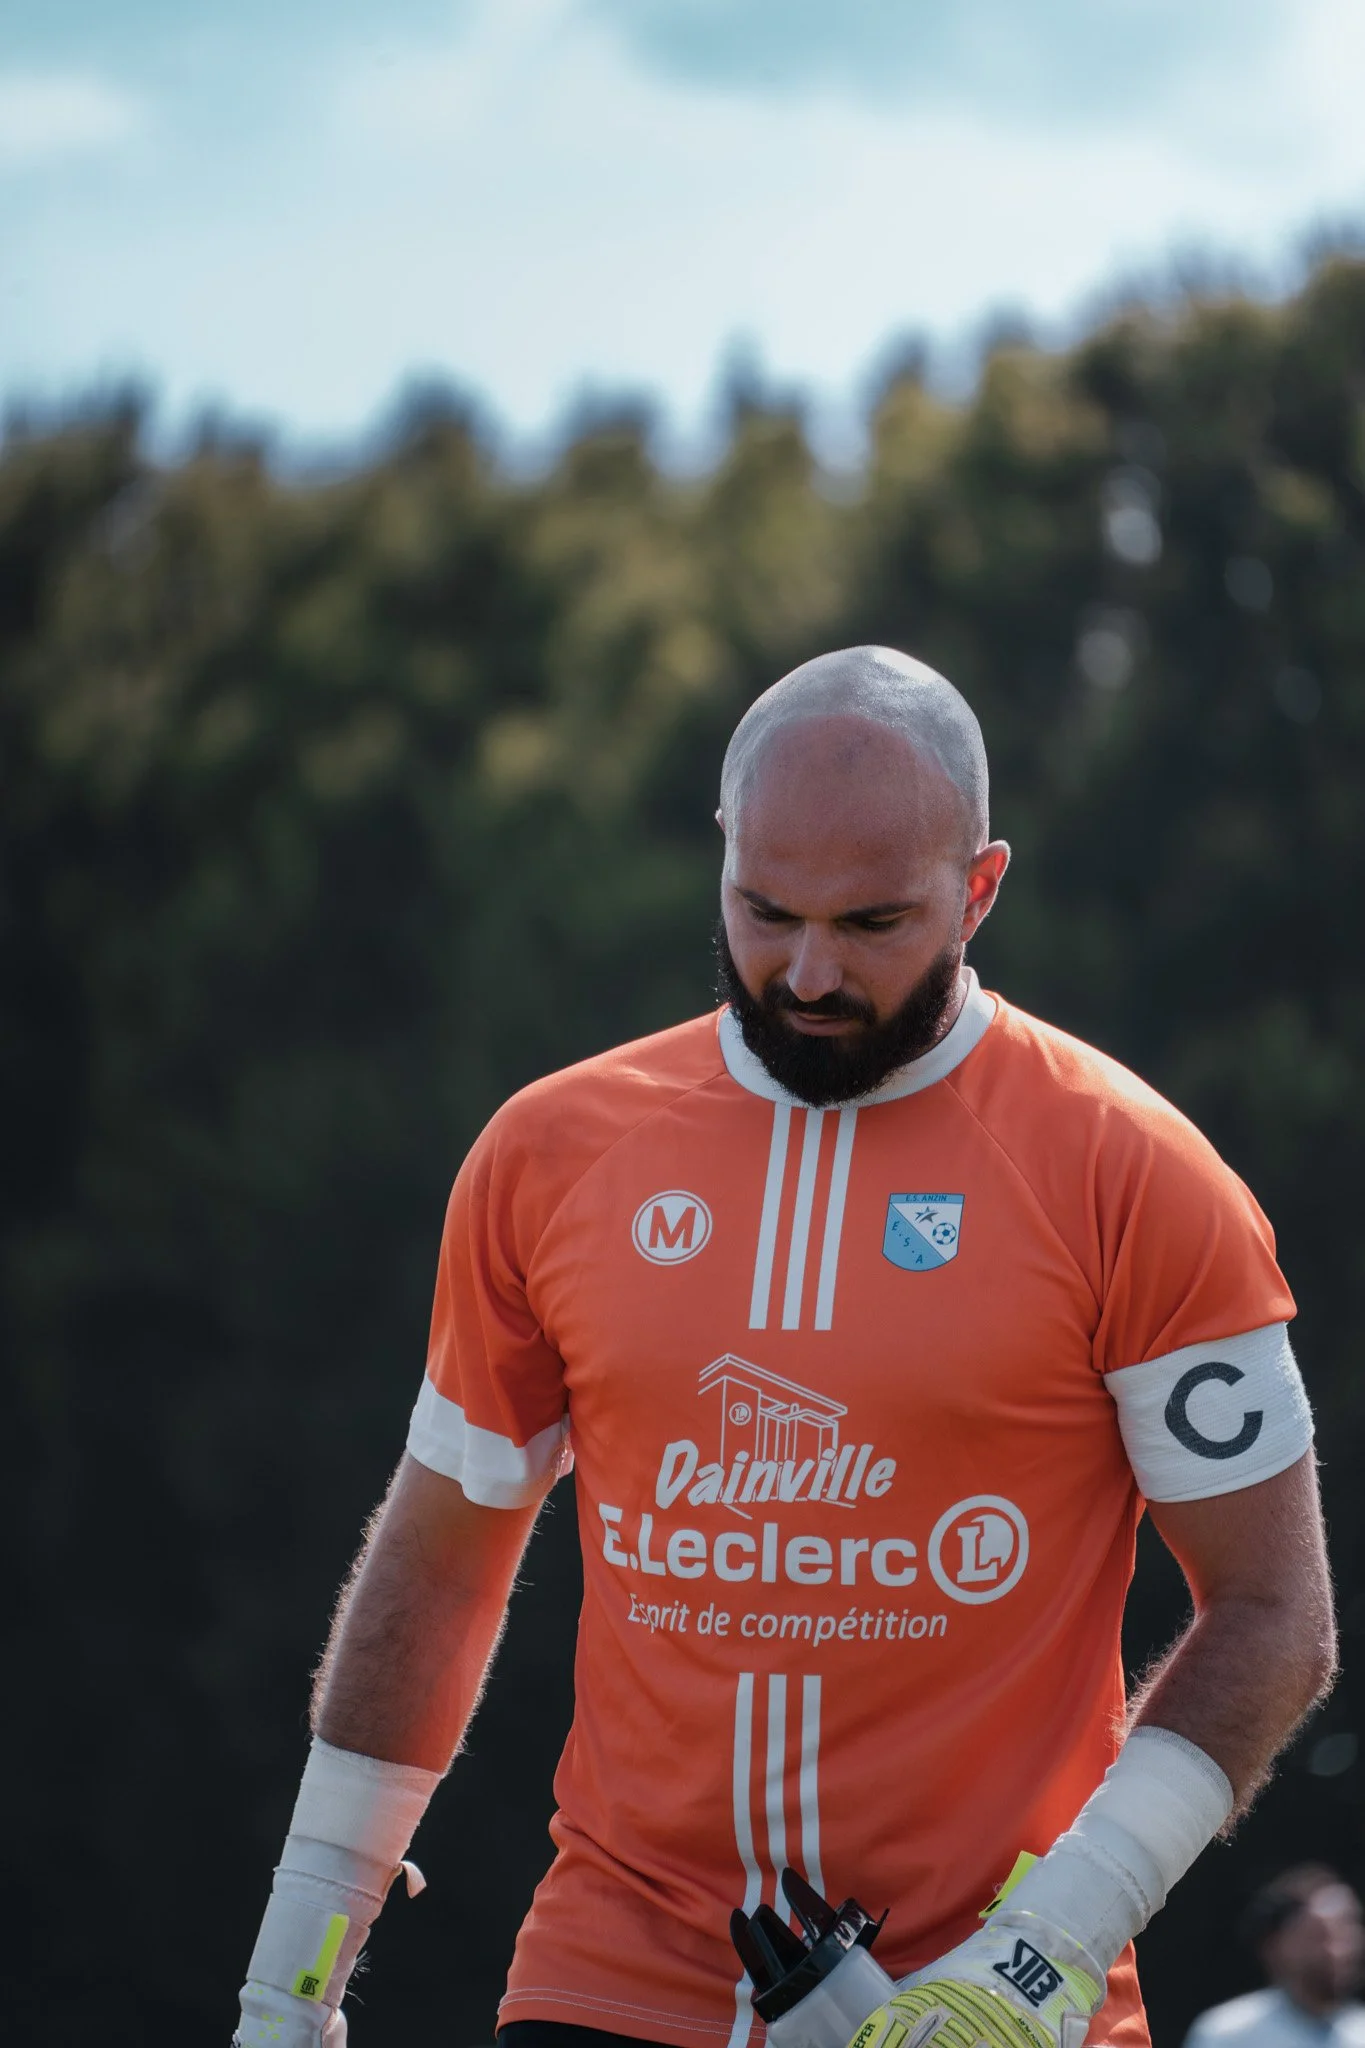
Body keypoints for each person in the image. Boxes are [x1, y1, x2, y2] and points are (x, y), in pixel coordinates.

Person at [234, 645, 1336, 2048]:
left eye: (872, 922)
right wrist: (294, 1965)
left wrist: (1040, 1955)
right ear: (721, 855)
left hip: (997, 2006)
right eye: (765, 910)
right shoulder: (548, 1151)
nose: (807, 972)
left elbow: (1275, 1616)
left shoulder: (1139, 1173)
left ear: (980, 887)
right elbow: (443, 1561)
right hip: (616, 1979)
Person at [1184, 1868, 1365, 2048]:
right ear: (1278, 1945)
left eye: (1348, 1933)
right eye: (1319, 1936)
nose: (1339, 1949)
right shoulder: (1229, 2035)